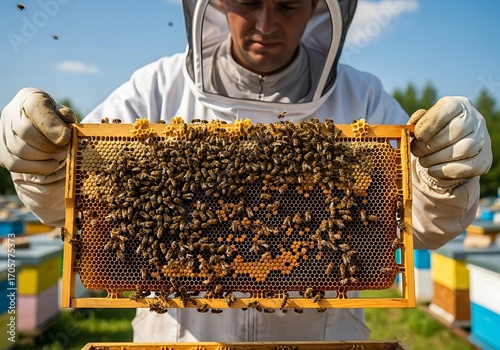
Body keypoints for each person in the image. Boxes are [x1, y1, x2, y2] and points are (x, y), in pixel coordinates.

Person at [0, 0, 492, 343]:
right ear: (214, 4)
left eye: (288, 5)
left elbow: (420, 226)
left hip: (324, 343)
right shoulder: (153, 89)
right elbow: (81, 212)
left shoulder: (361, 98)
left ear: (321, 8)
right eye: (247, 1)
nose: (265, 23)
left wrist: (443, 175)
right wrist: (42, 166)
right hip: (176, 341)